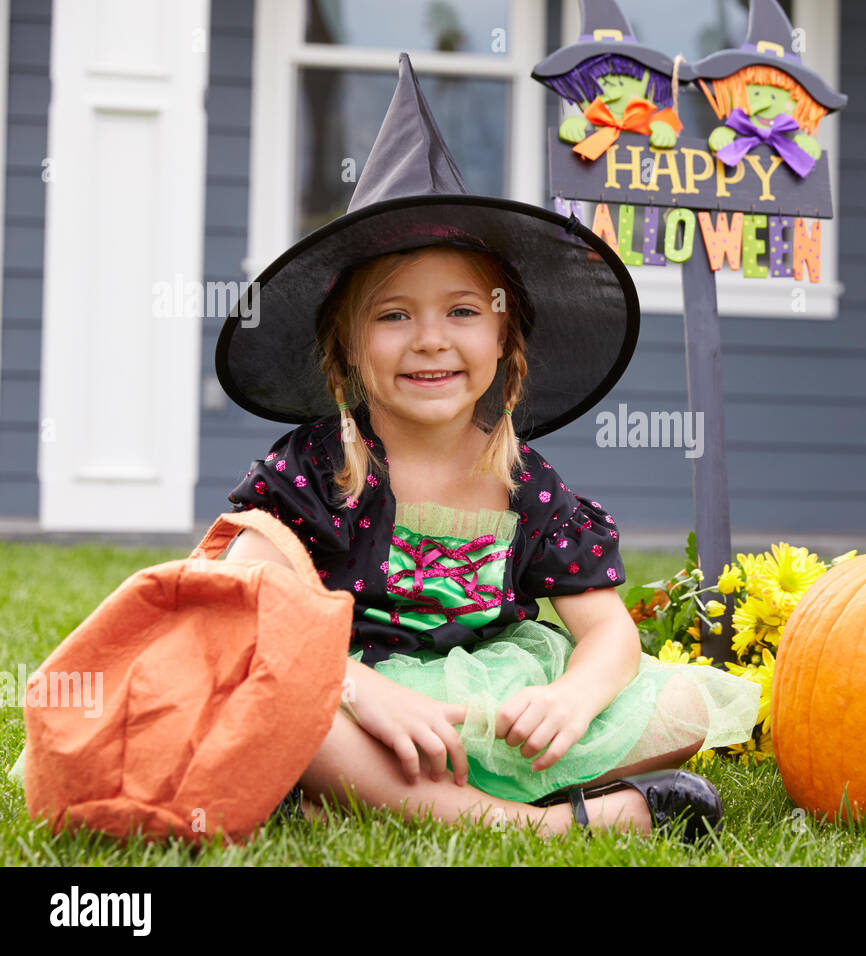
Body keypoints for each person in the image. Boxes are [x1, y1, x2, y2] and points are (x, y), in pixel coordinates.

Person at [214, 53, 760, 843]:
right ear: (346, 344)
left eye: (464, 310)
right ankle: (534, 826)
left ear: (504, 335)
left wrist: (570, 698)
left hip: (492, 705)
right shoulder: (316, 469)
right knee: (281, 702)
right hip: (361, 702)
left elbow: (609, 633)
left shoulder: (525, 485)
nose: (431, 340)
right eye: (393, 316)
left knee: (677, 707)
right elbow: (251, 603)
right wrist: (364, 692)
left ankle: (369, 797)